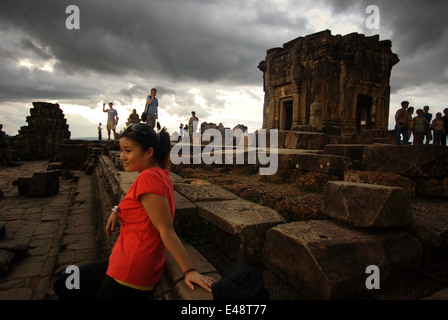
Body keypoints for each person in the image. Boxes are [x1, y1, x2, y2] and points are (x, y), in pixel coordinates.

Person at [53, 123, 215, 299]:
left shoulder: (149, 178)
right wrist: (117, 209)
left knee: (66, 285)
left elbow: (166, 229)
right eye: (121, 150)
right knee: (65, 283)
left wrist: (189, 270)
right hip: (121, 260)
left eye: (128, 151)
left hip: (131, 270)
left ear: (148, 152)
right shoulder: (154, 173)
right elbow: (134, 198)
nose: (122, 157)